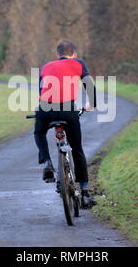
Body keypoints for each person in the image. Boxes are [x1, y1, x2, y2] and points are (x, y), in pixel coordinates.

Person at [34, 39, 97, 208]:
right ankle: (84, 193)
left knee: (39, 132)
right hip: (68, 111)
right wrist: (91, 105)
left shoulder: (45, 67)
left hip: (45, 109)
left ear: (57, 55)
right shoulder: (77, 63)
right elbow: (89, 85)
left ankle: (47, 162)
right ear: (74, 54)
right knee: (77, 149)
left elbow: (41, 92)